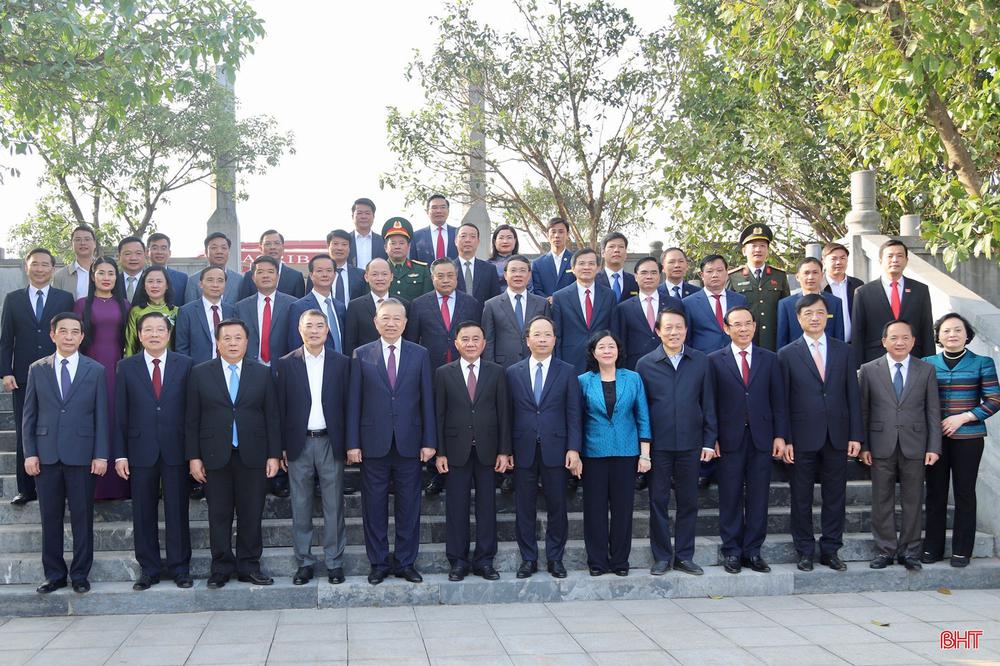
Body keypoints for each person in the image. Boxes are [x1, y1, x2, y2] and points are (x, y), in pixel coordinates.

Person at [186, 319, 282, 588]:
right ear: (217, 343)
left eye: (238, 338)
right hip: (214, 455)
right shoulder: (200, 373)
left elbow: (272, 416)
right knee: (219, 514)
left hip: (253, 454)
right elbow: (191, 419)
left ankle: (249, 566)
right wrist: (194, 457)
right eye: (226, 338)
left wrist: (274, 455)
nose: (232, 343)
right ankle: (220, 568)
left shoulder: (262, 373)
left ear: (247, 342)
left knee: (251, 513)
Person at [347, 299, 436, 584]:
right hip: (373, 444)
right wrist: (353, 443)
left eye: (397, 318)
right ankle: (379, 563)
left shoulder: (420, 354)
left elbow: (427, 400)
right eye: (385, 318)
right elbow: (354, 402)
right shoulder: (361, 354)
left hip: (410, 443)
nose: (391, 323)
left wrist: (429, 441)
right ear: (376, 322)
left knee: (409, 507)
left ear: (405, 323)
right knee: (373, 507)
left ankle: (406, 562)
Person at [23, 312, 108, 594]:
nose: (69, 337)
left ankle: (80, 574)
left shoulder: (95, 370)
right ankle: (54, 574)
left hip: (82, 455)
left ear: (82, 337)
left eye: (74, 332)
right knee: (50, 518)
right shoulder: (37, 369)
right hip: (46, 455)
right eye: (63, 331)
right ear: (53, 335)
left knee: (82, 517)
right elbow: (29, 415)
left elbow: (102, 416)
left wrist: (101, 454)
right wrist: (30, 453)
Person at [778, 293, 862, 572]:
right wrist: (786, 439)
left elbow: (853, 395)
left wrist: (856, 435)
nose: (815, 318)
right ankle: (804, 550)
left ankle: (831, 549)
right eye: (808, 313)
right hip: (801, 437)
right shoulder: (787, 354)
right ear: (798, 318)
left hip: (837, 435)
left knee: (835, 496)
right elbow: (783, 401)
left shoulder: (844, 351)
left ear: (827, 316)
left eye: (820, 313)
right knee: (801, 497)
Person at [113, 312, 193, 589]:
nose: (155, 334)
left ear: (169, 335)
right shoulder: (126, 367)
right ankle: (149, 569)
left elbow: (192, 413)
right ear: (139, 335)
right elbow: (120, 413)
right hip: (140, 449)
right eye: (149, 329)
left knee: (177, 511)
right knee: (143, 512)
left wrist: (193, 453)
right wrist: (120, 454)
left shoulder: (186, 364)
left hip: (176, 448)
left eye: (160, 329)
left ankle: (180, 567)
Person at [636, 308, 717, 576]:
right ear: (658, 331)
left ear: (686, 330)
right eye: (668, 328)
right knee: (657, 501)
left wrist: (709, 440)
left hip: (691, 443)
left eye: (679, 327)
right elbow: (641, 410)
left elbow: (708, 403)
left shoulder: (700, 360)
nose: (674, 332)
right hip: (659, 445)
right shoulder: (645, 364)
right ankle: (661, 556)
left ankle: (684, 556)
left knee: (688, 501)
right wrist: (644, 448)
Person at [708, 306, 787, 574]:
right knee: (729, 496)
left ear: (754, 326)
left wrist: (780, 435)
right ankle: (731, 551)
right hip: (728, 439)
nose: (743, 329)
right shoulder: (714, 360)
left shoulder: (770, 359)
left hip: (762, 437)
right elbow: (710, 403)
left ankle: (753, 551)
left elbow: (779, 400)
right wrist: (712, 437)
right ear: (726, 328)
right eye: (737, 324)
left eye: (747, 323)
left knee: (758, 496)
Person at [859, 319, 941, 571]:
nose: (900, 342)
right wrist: (864, 446)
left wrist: (934, 446)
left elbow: (933, 411)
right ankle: (885, 550)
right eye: (893, 337)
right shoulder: (869, 370)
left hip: (915, 444)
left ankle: (910, 551)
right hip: (880, 444)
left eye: (905, 337)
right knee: (881, 499)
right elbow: (863, 411)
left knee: (913, 500)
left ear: (913, 341)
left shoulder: (926, 370)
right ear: (884, 341)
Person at [275, 310, 350, 585]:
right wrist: (281, 447)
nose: (314, 330)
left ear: (328, 330)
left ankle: (334, 562)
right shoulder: (286, 363)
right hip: (299, 443)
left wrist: (349, 444)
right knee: (300, 504)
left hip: (331, 441)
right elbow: (279, 408)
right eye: (309, 326)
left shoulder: (342, 363)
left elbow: (348, 404)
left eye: (320, 326)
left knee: (334, 505)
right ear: (300, 329)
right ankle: (304, 562)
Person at [434, 321, 511, 581]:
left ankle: (485, 560)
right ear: (456, 343)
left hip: (489, 450)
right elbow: (439, 415)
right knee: (456, 507)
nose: (470, 343)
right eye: (465, 339)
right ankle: (458, 561)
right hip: (455, 450)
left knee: (487, 507)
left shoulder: (497, 372)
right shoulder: (443, 373)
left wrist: (504, 451)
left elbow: (504, 413)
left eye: (475, 339)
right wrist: (440, 452)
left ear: (484, 343)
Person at [506, 315, 582, 579]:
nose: (542, 339)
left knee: (557, 506)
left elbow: (574, 413)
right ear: (527, 340)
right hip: (523, 449)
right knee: (524, 508)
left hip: (557, 449)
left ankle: (555, 558)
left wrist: (574, 449)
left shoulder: (567, 371)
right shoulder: (512, 372)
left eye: (547, 334)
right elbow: (507, 415)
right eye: (536, 334)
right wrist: (506, 450)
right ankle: (528, 559)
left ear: (555, 339)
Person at [922, 313, 1000, 567]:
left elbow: (994, 400)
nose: (952, 334)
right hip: (935, 439)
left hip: (969, 438)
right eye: (946, 330)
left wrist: (964, 417)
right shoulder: (926, 363)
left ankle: (962, 551)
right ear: (938, 336)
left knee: (964, 492)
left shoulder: (982, 362)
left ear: (967, 335)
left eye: (958, 330)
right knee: (935, 492)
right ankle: (932, 548)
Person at [1, 248, 76, 505]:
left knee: (58, 427)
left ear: (53, 269)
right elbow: (5, 339)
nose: (40, 269)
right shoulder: (13, 299)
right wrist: (6, 371)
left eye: (45, 264)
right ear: (26, 267)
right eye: (35, 264)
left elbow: (71, 333)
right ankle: (26, 489)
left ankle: (61, 487)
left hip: (57, 372)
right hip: (23, 376)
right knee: (26, 429)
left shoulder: (65, 299)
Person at [578, 330, 650, 576]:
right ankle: (597, 562)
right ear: (593, 352)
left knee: (623, 510)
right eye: (602, 347)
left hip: (626, 453)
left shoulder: (633, 378)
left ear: (619, 350)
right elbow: (577, 420)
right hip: (593, 453)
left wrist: (645, 454)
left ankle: (620, 561)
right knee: (594, 510)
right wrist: (575, 453)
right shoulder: (583, 381)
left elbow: (643, 416)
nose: (607, 351)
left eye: (611, 346)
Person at [74, 257, 130, 500]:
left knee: (115, 418)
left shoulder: (125, 304)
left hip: (117, 369)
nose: (106, 277)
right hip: (89, 369)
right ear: (92, 276)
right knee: (94, 420)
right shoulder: (81, 305)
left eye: (111, 273)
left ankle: (119, 485)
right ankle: (94, 485)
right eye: (101, 273)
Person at [852, 238, 935, 364]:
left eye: (900, 256)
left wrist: (930, 362)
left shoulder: (920, 290)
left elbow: (927, 329)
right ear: (881, 260)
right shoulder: (863, 292)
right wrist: (857, 366)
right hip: (875, 359)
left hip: (913, 357)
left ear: (906, 260)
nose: (895, 260)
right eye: (890, 256)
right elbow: (858, 332)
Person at [406, 258, 483, 369]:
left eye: (450, 275)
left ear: (456, 277)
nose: (446, 280)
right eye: (440, 276)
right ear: (432, 278)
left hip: (463, 365)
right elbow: (412, 340)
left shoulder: (471, 303)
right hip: (430, 365)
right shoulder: (419, 304)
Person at [726, 223, 790, 351]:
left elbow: (785, 309)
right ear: (744, 251)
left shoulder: (779, 276)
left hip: (772, 341)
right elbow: (728, 312)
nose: (758, 250)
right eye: (753, 246)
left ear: (768, 250)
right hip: (744, 341)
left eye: (762, 246)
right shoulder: (733, 277)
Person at [552, 248, 615, 375]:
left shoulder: (609, 295)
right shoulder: (560, 297)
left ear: (598, 268)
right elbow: (557, 334)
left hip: (602, 359)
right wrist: (557, 363)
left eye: (591, 263)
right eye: (581, 263)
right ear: (573, 268)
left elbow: (613, 329)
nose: (586, 267)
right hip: (570, 360)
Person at [615, 256, 684, 371]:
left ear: (659, 276)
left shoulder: (674, 304)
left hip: (669, 365)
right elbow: (620, 342)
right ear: (636, 276)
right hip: (635, 367)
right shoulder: (623, 308)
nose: (649, 276)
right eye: (644, 273)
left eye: (653, 273)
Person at [483, 255, 549, 369]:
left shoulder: (542, 304)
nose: (518, 274)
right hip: (503, 366)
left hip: (535, 365)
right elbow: (488, 341)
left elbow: (548, 337)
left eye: (522, 270)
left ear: (529, 275)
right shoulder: (491, 305)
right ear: (505, 275)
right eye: (513, 270)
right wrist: (490, 369)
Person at [236, 256, 296, 367]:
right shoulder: (241, 307)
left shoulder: (293, 304)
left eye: (270, 272)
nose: (265, 276)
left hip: (283, 367)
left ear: (278, 277)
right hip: (250, 367)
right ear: (253, 278)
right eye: (260, 272)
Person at [683, 255, 749, 354]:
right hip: (703, 358)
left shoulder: (739, 300)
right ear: (702, 275)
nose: (715, 275)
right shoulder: (688, 303)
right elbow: (686, 337)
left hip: (733, 357)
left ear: (726, 273)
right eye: (709, 271)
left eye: (719, 270)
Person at [344, 258, 409, 357]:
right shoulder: (355, 306)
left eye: (384, 274)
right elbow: (350, 342)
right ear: (366, 277)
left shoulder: (404, 304)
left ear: (391, 277)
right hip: (365, 361)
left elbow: (409, 338)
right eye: (374, 274)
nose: (380, 278)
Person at [776, 257, 845, 349]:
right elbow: (782, 339)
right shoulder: (786, 304)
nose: (811, 277)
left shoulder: (835, 302)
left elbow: (839, 336)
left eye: (815, 272)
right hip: (796, 354)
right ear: (797, 277)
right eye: (806, 273)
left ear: (822, 275)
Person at [287, 254, 347, 355]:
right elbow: (295, 344)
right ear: (311, 275)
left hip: (341, 362)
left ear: (334, 275)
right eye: (319, 271)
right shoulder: (299, 307)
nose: (325, 274)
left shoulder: (340, 307)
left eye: (329, 270)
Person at [175, 267, 234, 363]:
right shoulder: (186, 312)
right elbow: (182, 348)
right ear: (201, 284)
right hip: (198, 368)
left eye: (220, 281)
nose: (215, 285)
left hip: (228, 366)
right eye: (210, 280)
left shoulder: (232, 311)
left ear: (225, 285)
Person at [123, 265, 178, 356]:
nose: (154, 285)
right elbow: (130, 344)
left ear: (167, 285)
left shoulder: (176, 312)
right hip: (142, 361)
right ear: (144, 285)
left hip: (170, 361)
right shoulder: (136, 311)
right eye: (150, 281)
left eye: (159, 281)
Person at [237, 230, 306, 300]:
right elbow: (244, 303)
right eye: (268, 244)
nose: (273, 247)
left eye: (277, 243)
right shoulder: (249, 276)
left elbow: (300, 304)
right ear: (260, 248)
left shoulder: (296, 277)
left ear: (283, 248)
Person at [184, 232, 243, 306]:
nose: (219, 252)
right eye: (214, 248)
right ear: (206, 252)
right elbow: (189, 309)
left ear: (229, 252)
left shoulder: (239, 280)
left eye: (224, 248)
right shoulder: (194, 280)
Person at [311, 229, 367, 307]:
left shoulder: (360, 274)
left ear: (349, 248)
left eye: (344, 244)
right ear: (328, 246)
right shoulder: (317, 274)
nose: (339, 248)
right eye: (335, 244)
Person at [383, 217, 433, 301]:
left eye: (401, 243)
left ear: (409, 247)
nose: (397, 247)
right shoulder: (379, 269)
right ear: (385, 247)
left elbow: (427, 299)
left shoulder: (422, 269)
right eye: (393, 243)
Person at [821, 242, 862, 343]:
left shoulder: (858, 285)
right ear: (824, 262)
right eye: (834, 259)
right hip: (827, 344)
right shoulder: (819, 287)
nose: (839, 262)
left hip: (853, 344)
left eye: (843, 258)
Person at [454, 223, 502, 305]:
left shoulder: (489, 269)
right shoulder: (448, 268)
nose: (468, 240)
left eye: (472, 236)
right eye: (463, 236)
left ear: (478, 241)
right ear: (456, 241)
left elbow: (495, 300)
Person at [530, 217, 574, 298]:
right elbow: (536, 289)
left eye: (561, 232)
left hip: (570, 304)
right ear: (547, 235)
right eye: (553, 232)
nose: (557, 235)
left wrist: (560, 300)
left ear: (568, 235)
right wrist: (548, 300)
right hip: (545, 305)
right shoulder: (537, 263)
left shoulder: (575, 260)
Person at [53, 225, 98, 299]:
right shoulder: (60, 276)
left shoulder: (108, 272)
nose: (82, 243)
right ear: (72, 244)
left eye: (87, 239)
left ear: (94, 243)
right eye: (77, 240)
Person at [410, 193, 459, 263]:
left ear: (448, 211)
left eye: (443, 207)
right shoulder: (416, 236)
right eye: (434, 207)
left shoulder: (458, 233)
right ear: (427, 211)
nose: (439, 211)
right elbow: (413, 262)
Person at [595, 233, 638, 304]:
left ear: (626, 253)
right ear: (603, 253)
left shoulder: (635, 281)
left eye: (621, 247)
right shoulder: (593, 280)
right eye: (611, 246)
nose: (616, 250)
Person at [147, 232, 189, 304]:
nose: (159, 252)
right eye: (155, 248)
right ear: (147, 252)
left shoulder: (182, 279)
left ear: (169, 253)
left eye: (163, 248)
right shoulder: (141, 276)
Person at [347, 197, 387, 268]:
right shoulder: (345, 240)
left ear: (373, 217)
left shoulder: (383, 241)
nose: (363, 216)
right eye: (359, 213)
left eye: (367, 213)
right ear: (353, 216)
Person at [118, 236, 148, 303]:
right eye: (128, 254)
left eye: (138, 253)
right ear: (119, 257)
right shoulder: (113, 281)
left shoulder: (152, 282)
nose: (133, 258)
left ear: (145, 255)